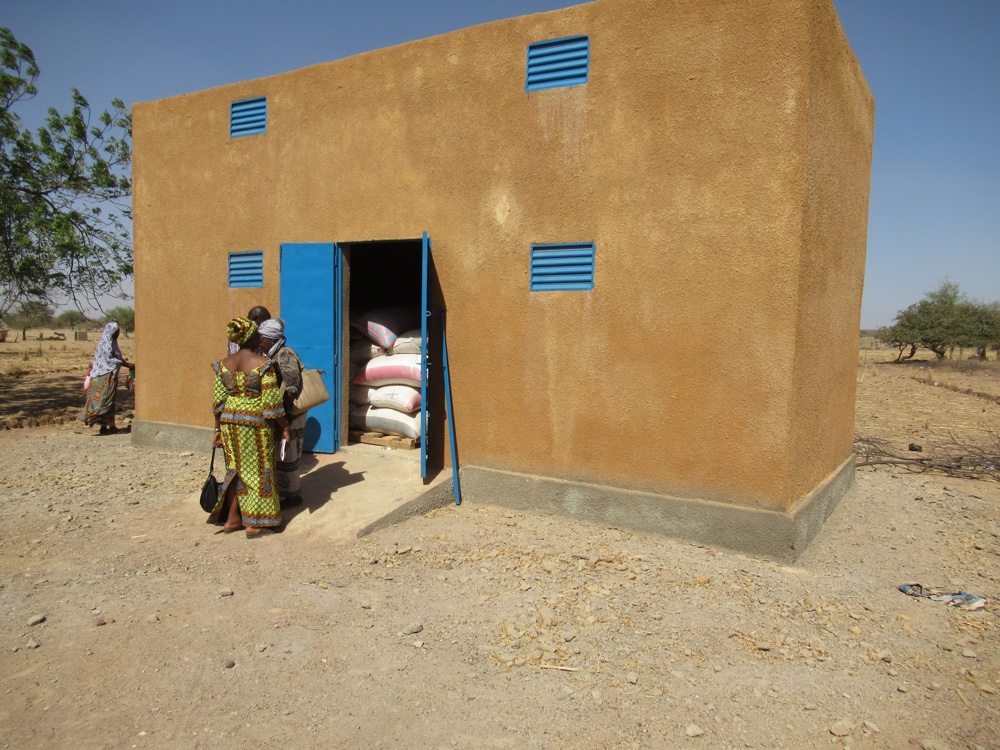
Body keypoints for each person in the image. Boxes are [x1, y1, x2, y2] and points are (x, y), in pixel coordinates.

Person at [210, 317, 291, 538]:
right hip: (256, 425)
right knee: (259, 471)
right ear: (252, 337)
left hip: (229, 425)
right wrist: (284, 427)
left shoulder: (223, 364)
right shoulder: (263, 365)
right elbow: (272, 403)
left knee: (235, 470)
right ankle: (254, 523)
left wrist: (217, 431)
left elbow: (218, 403)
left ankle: (232, 519)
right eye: (257, 334)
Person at [258, 317, 306, 508]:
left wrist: (282, 415)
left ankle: (293, 496)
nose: (259, 342)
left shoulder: (284, 354)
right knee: (282, 454)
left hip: (290, 414)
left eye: (262, 338)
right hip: (283, 413)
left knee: (288, 453)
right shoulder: (274, 354)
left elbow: (291, 387)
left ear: (271, 339)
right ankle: (286, 491)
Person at [79, 322, 134, 435]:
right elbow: (110, 359)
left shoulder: (112, 343)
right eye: (116, 331)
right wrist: (128, 365)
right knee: (104, 401)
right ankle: (91, 417)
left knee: (110, 401)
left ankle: (107, 427)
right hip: (103, 376)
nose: (118, 334)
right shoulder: (106, 344)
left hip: (108, 375)